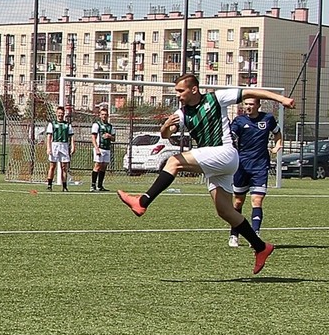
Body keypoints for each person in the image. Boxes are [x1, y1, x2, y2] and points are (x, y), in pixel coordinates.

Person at [117, 75, 295, 274]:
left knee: (174, 161)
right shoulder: (182, 112)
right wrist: (165, 127)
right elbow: (167, 134)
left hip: (224, 152)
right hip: (216, 161)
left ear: (194, 89)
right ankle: (261, 247)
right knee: (225, 211)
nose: (178, 95)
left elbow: (251, 92)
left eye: (180, 91)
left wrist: (281, 99)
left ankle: (143, 201)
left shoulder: (216, 98)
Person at [228, 95, 282, 247]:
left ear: (258, 105)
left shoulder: (268, 119)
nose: (248, 107)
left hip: (260, 166)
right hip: (242, 166)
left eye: (251, 104)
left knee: (257, 200)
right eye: (246, 104)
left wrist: (278, 145)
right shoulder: (239, 121)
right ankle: (234, 234)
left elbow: (277, 132)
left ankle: (255, 234)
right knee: (238, 201)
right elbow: (231, 137)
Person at [44, 107, 73, 190]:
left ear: (64, 114)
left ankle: (64, 186)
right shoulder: (52, 124)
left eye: (62, 113)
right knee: (52, 166)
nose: (60, 115)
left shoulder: (67, 125)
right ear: (56, 113)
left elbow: (71, 136)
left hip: (64, 145)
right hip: (54, 145)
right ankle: (49, 185)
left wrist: (73, 146)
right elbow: (49, 137)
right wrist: (48, 148)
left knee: (64, 167)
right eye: (59, 113)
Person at [89, 104, 116, 192]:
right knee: (97, 166)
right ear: (100, 115)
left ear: (108, 116)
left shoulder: (110, 126)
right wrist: (96, 148)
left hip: (107, 148)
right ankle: (93, 185)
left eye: (105, 114)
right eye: (102, 114)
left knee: (104, 167)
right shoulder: (96, 125)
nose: (104, 116)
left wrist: (109, 136)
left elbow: (114, 139)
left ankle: (100, 186)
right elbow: (93, 137)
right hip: (99, 148)